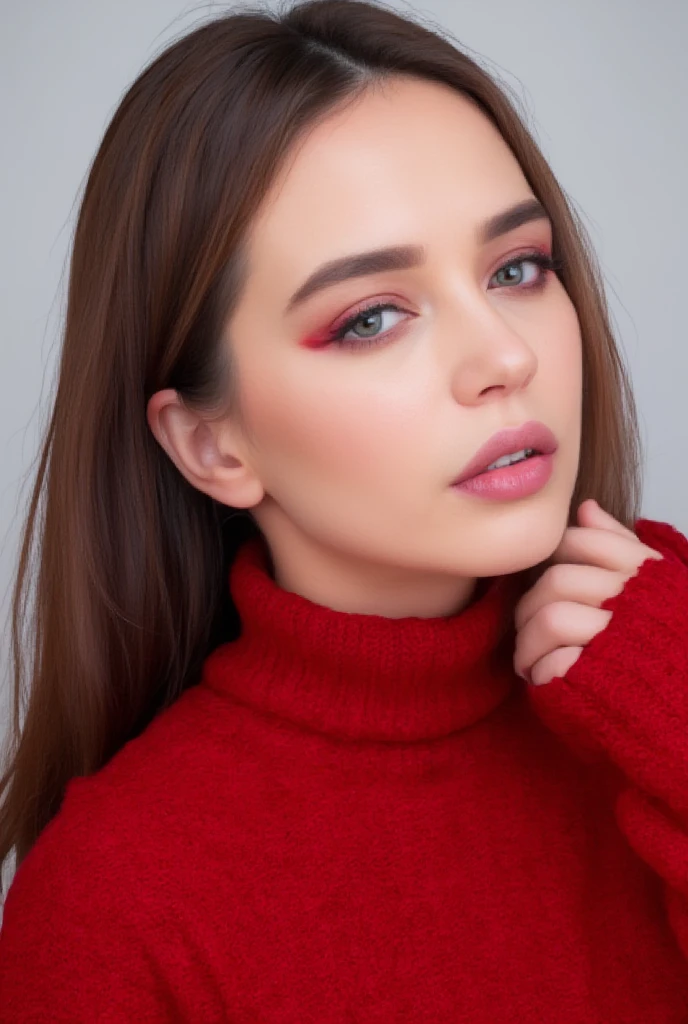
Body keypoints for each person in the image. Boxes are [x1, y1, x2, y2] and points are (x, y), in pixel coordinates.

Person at [1, 0, 687, 1019]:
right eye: (370, 318)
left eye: (516, 268)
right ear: (211, 443)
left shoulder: (654, 700)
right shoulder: (115, 904)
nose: (506, 355)